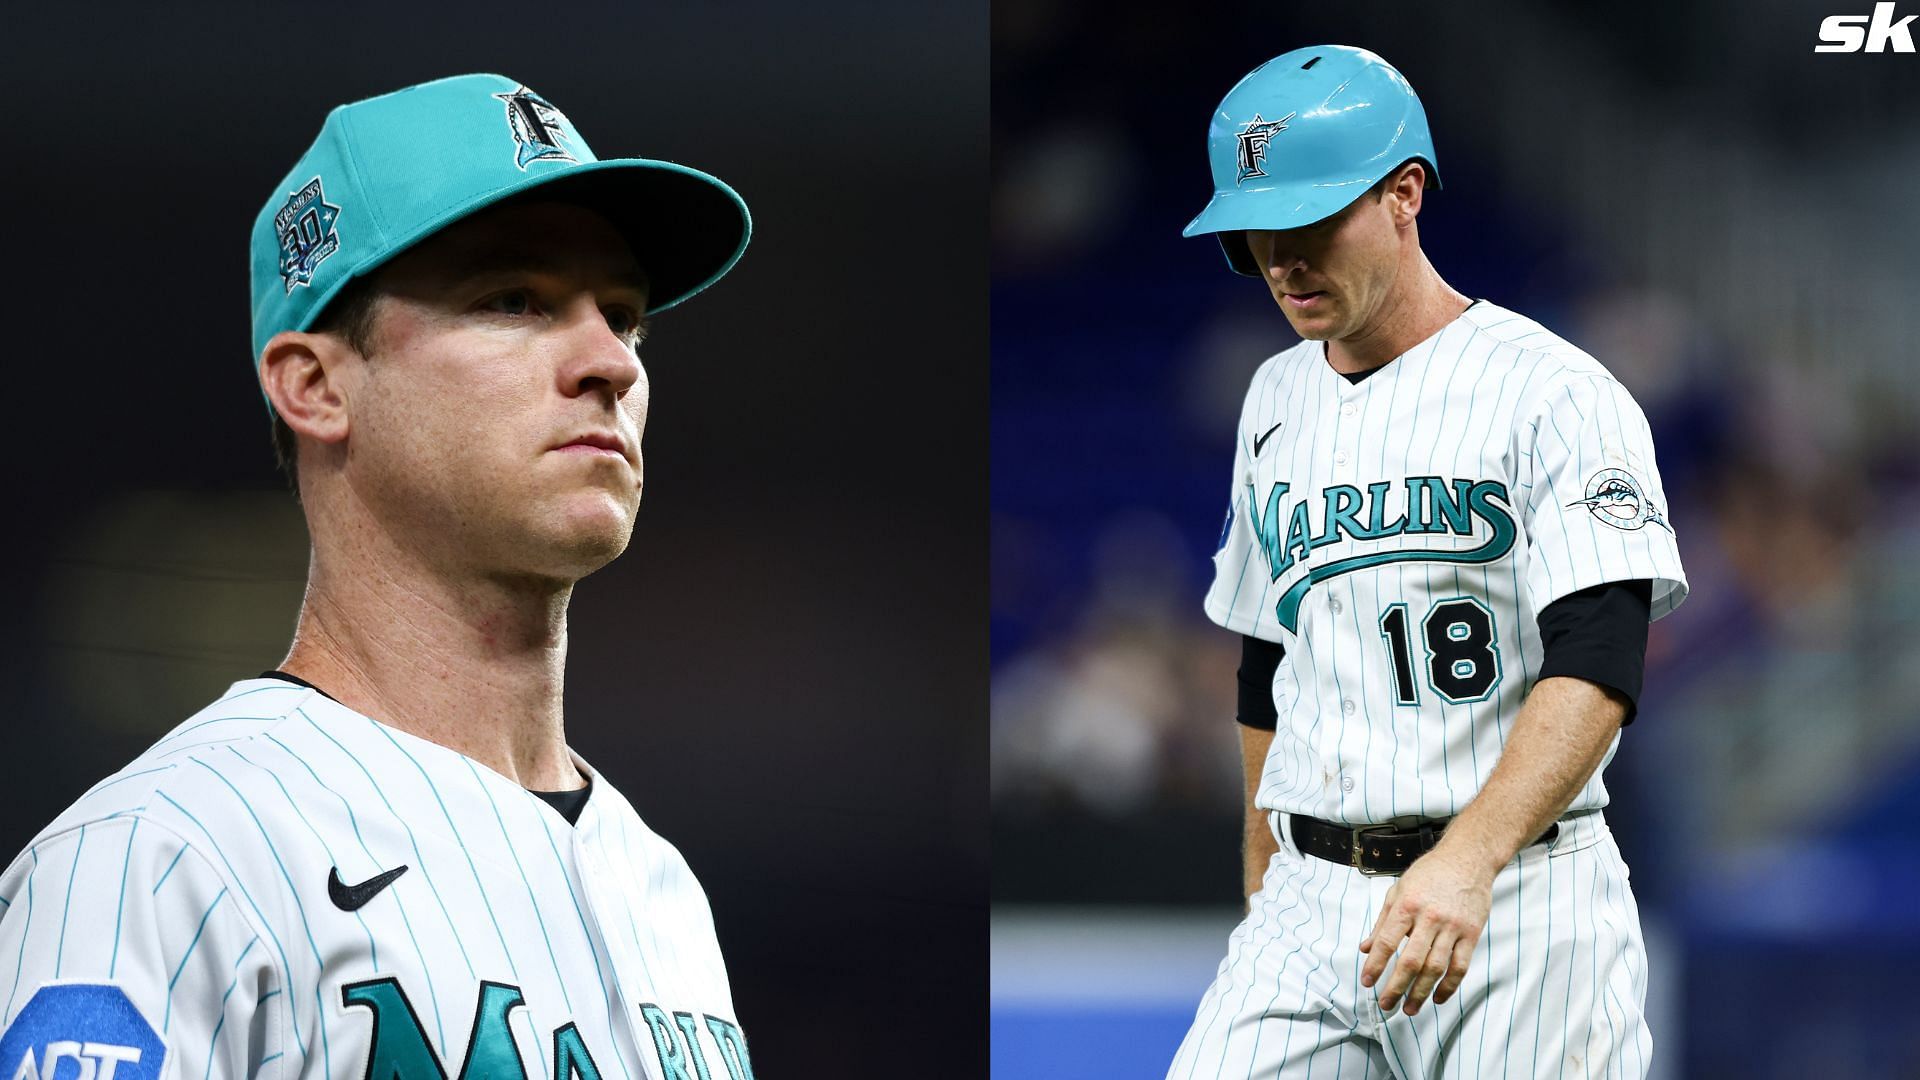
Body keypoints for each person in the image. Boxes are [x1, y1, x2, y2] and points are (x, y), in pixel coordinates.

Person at [0, 73, 757, 1080]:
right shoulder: (158, 862)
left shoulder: (662, 887)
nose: (607, 363)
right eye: (515, 299)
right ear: (314, 386)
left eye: (624, 317)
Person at [1167, 46, 1686, 1078]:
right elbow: (1269, 665)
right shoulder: (1272, 400)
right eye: (1258, 230)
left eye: (1312, 221)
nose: (1283, 257)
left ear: (1405, 194)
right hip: (1313, 900)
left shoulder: (1554, 392)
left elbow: (1600, 657)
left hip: (1518, 901)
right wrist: (1267, 885)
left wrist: (1472, 856)